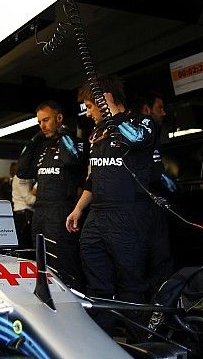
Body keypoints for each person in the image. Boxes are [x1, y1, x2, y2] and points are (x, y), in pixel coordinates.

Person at [66, 75, 154, 333]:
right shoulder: (97, 133)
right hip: (97, 218)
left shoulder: (142, 123)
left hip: (128, 216)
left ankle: (139, 347)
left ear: (105, 100)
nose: (89, 113)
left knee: (131, 285)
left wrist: (110, 114)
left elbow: (136, 139)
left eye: (91, 106)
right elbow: (93, 177)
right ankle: (102, 341)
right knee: (97, 284)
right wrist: (78, 209)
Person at [18, 100, 87, 287]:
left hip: (62, 211)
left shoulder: (77, 143)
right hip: (40, 212)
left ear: (59, 118)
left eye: (46, 120)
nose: (42, 125)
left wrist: (63, 131)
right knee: (41, 263)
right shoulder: (42, 146)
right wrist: (35, 139)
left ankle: (73, 305)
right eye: (39, 122)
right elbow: (22, 171)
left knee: (63, 264)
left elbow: (71, 159)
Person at [136, 90, 175, 292]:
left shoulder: (149, 136)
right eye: (160, 108)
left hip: (145, 209)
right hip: (148, 209)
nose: (164, 113)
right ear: (146, 109)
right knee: (159, 261)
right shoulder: (143, 137)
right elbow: (153, 175)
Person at [11, 173, 36, 250]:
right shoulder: (21, 177)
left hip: (26, 215)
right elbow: (30, 200)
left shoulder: (29, 177)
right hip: (23, 217)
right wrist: (38, 191)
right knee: (25, 248)